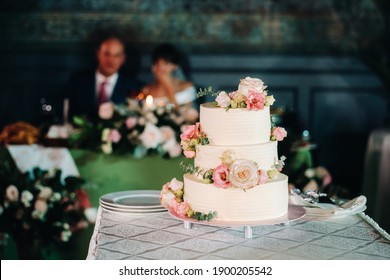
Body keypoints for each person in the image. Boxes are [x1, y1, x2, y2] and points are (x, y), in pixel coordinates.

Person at [64, 36, 143, 121]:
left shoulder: (134, 85)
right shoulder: (77, 80)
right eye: (107, 54)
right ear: (98, 54)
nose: (110, 60)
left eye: (116, 55)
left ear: (123, 59)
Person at [141, 43, 196, 108]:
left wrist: (167, 85)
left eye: (166, 63)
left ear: (175, 66)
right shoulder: (147, 90)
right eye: (157, 63)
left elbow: (180, 112)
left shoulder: (186, 87)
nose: (161, 67)